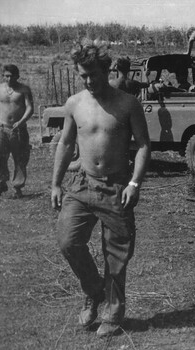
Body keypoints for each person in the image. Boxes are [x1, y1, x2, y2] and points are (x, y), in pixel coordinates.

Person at [51, 41, 151, 337]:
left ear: (107, 70)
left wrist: (135, 182)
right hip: (82, 183)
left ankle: (112, 312)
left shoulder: (127, 103)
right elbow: (67, 143)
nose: (89, 81)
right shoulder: (74, 103)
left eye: (93, 74)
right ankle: (95, 291)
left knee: (117, 254)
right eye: (83, 75)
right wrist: (55, 183)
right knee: (68, 241)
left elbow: (144, 144)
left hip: (117, 186)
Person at [0, 64, 34, 199]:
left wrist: (22, 120)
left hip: (19, 129)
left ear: (17, 76)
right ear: (3, 76)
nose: (8, 79)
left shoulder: (24, 90)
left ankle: (17, 187)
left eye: (11, 76)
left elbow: (30, 107)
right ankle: (0, 185)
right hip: (2, 128)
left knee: (20, 158)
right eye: (6, 76)